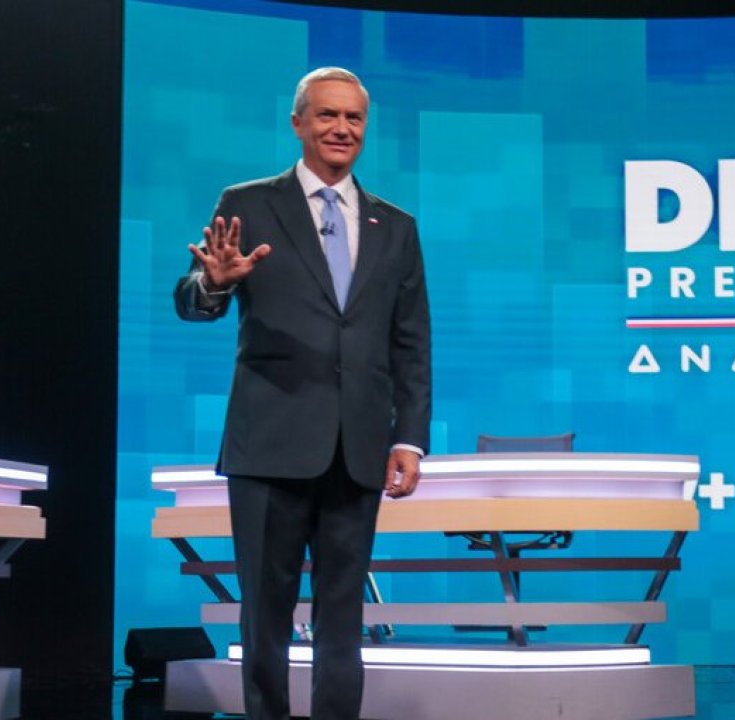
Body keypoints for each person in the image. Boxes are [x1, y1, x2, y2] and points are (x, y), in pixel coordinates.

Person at [174, 67, 431, 720]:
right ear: (298, 123)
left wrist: (409, 438)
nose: (342, 128)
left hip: (358, 449)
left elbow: (411, 341)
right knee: (266, 612)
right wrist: (216, 283)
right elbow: (191, 299)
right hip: (269, 444)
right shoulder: (248, 203)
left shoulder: (395, 225)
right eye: (327, 115)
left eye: (353, 118)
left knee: (343, 616)